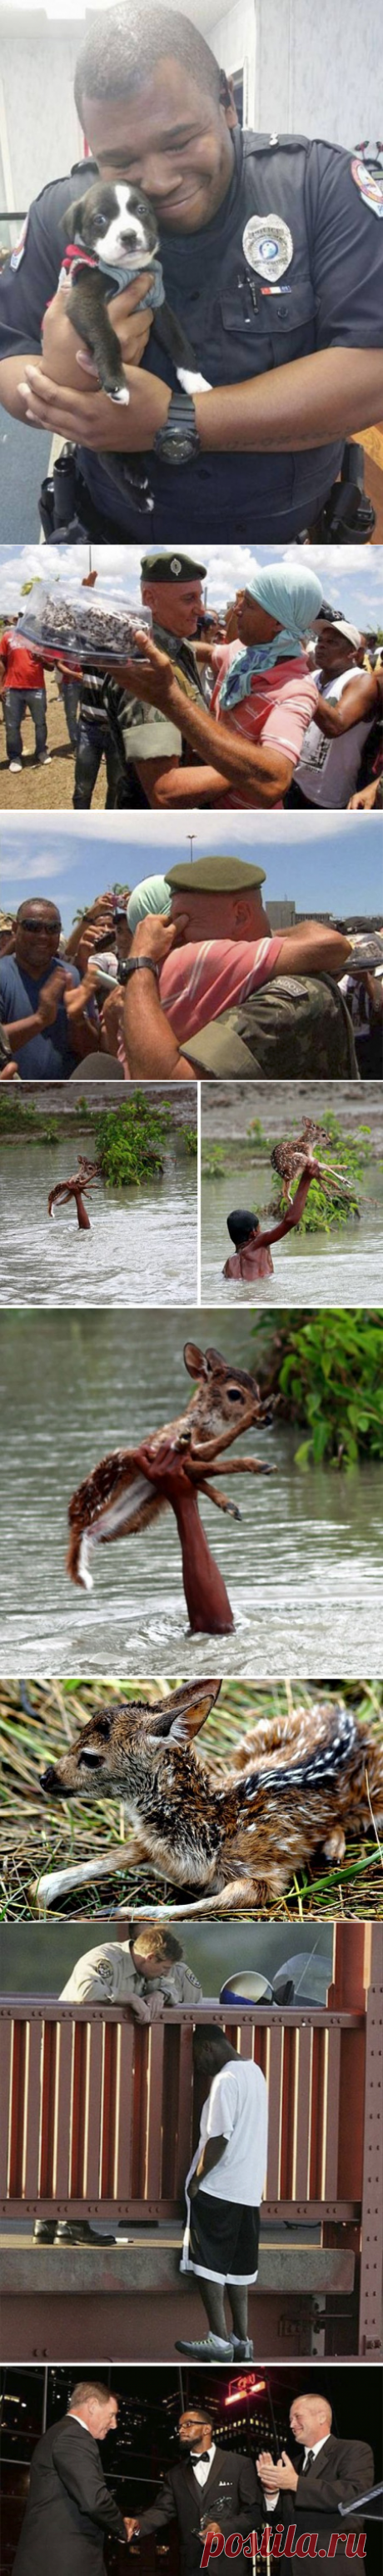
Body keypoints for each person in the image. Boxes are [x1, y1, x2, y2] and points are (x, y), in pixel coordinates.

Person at [2, 4, 383, 545]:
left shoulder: (319, 188)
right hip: (108, 541)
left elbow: (372, 371)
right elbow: (10, 355)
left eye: (179, 141)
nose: (155, 181)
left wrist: (177, 419)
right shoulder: (65, 210)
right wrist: (60, 378)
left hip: (294, 544)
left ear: (226, 100)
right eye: (121, 160)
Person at [122, 852, 361, 1082]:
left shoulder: (289, 998)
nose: (175, 935)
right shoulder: (204, 962)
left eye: (184, 921)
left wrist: (140, 960)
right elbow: (329, 943)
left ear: (241, 916)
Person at [33, 1925, 202, 2249]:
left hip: (104, 2066)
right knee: (75, 2141)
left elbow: (190, 1990)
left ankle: (54, 2221)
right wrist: (124, 1997)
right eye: (163, 1968)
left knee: (86, 2138)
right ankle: (68, 2220)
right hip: (69, 2058)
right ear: (150, 1956)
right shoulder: (106, 1959)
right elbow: (85, 1990)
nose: (165, 1973)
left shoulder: (158, 1969)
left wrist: (161, 1993)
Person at [112, 569, 323, 809]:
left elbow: (273, 782)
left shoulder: (296, 691)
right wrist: (164, 645)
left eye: (250, 605)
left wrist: (169, 697)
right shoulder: (245, 654)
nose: (237, 610)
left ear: (277, 622)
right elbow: (212, 652)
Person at [174, 2024, 268, 2360]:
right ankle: (242, 2340)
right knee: (239, 2270)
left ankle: (217, 2339)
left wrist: (197, 2179)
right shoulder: (255, 2072)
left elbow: (219, 2138)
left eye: (197, 2057)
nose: (198, 2066)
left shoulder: (226, 2080)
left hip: (220, 2187)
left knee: (209, 2264)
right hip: (248, 2189)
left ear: (208, 2047)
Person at [109, 550, 212, 806]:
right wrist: (249, 769)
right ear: (150, 599)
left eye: (199, 597)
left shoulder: (178, 649)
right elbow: (165, 790)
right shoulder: (147, 667)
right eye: (189, 599)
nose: (201, 610)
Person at [12, 2378, 129, 2576]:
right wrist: (120, 2527)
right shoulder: (74, 2435)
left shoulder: (59, 2432)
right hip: (65, 2564)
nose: (114, 2424)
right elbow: (94, 2501)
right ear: (92, 2405)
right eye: (112, 2415)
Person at [125, 2403, 261, 2568]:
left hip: (230, 2563)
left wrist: (223, 2528)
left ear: (207, 2429)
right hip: (192, 2564)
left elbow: (254, 2513)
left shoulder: (240, 2464)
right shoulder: (174, 2474)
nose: (181, 2430)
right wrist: (137, 2525)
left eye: (188, 2424)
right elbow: (162, 2511)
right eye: (180, 2427)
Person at [256, 2390, 375, 2576]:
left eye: (297, 2417)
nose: (292, 2424)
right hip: (291, 2567)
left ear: (321, 2417)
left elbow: (354, 2495)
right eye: (290, 2419)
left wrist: (296, 2483)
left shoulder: (353, 2450)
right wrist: (271, 2492)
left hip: (332, 2565)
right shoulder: (292, 2464)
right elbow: (278, 2520)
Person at [286, 618, 381, 809]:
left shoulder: (360, 681)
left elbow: (335, 725)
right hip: (294, 782)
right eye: (320, 640)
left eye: (332, 642)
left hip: (327, 797)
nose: (321, 646)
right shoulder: (312, 677)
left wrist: (298, 676)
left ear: (352, 652)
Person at [0, 898, 100, 1079]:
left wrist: (78, 1020)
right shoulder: (2, 974)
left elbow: (90, 1052)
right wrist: (40, 1019)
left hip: (66, 1099)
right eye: (33, 927)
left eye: (52, 928)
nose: (43, 936)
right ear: (15, 929)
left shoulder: (71, 975)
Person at [223, 1161, 316, 1281]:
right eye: (259, 1228)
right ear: (253, 1233)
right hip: (262, 1295)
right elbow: (291, 1220)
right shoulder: (258, 1243)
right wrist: (306, 1179)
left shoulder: (229, 1264)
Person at [0, 624, 51, 771]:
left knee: (40, 722)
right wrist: (1, 685)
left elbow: (51, 666)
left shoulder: (39, 640)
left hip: (36, 689)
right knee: (12, 725)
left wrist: (42, 659)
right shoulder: (8, 636)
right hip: (12, 688)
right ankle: (15, 757)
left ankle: (41, 751)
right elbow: (2, 662)